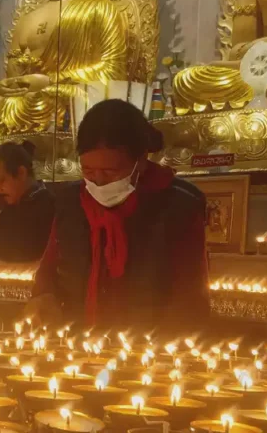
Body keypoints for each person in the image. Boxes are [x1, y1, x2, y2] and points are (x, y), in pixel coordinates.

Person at [24, 99, 210, 328]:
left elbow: (190, 294)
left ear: (140, 162)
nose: (98, 182)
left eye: (110, 171)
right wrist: (42, 297)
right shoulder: (70, 202)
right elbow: (50, 265)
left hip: (148, 344)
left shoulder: (178, 205)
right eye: (89, 171)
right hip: (77, 339)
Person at [0, 141, 54, 263]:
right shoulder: (6, 214)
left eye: (0, 181)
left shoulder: (51, 208)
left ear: (21, 173)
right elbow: (1, 251)